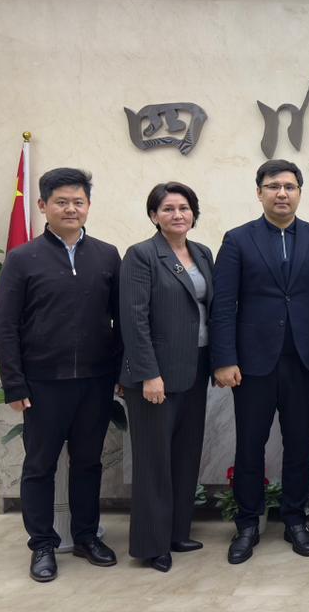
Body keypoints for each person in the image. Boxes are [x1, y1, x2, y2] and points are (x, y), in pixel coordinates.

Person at [0, 167, 122, 583]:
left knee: (88, 462)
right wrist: (14, 383)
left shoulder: (106, 255)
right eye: (61, 202)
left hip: (95, 381)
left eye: (78, 202)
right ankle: (43, 545)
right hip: (43, 384)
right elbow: (5, 326)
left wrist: (121, 372)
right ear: (43, 205)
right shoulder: (22, 258)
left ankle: (85, 536)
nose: (71, 209)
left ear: (88, 206)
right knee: (40, 465)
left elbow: (121, 320)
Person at [210, 160, 309, 564]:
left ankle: (295, 519)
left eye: (289, 186)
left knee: (299, 443)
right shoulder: (237, 240)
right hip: (251, 365)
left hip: (303, 360)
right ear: (259, 192)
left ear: (299, 192)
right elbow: (223, 304)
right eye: (273, 186)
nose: (282, 193)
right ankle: (248, 523)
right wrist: (224, 359)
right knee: (250, 445)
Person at [119, 182, 215, 573]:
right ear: (154, 215)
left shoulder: (202, 253)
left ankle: (177, 532)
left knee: (185, 456)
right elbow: (134, 318)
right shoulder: (142, 255)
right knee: (154, 462)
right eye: (168, 208)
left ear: (194, 214)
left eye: (184, 208)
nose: (178, 215)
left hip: (195, 369)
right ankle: (151, 544)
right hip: (155, 377)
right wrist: (148, 373)